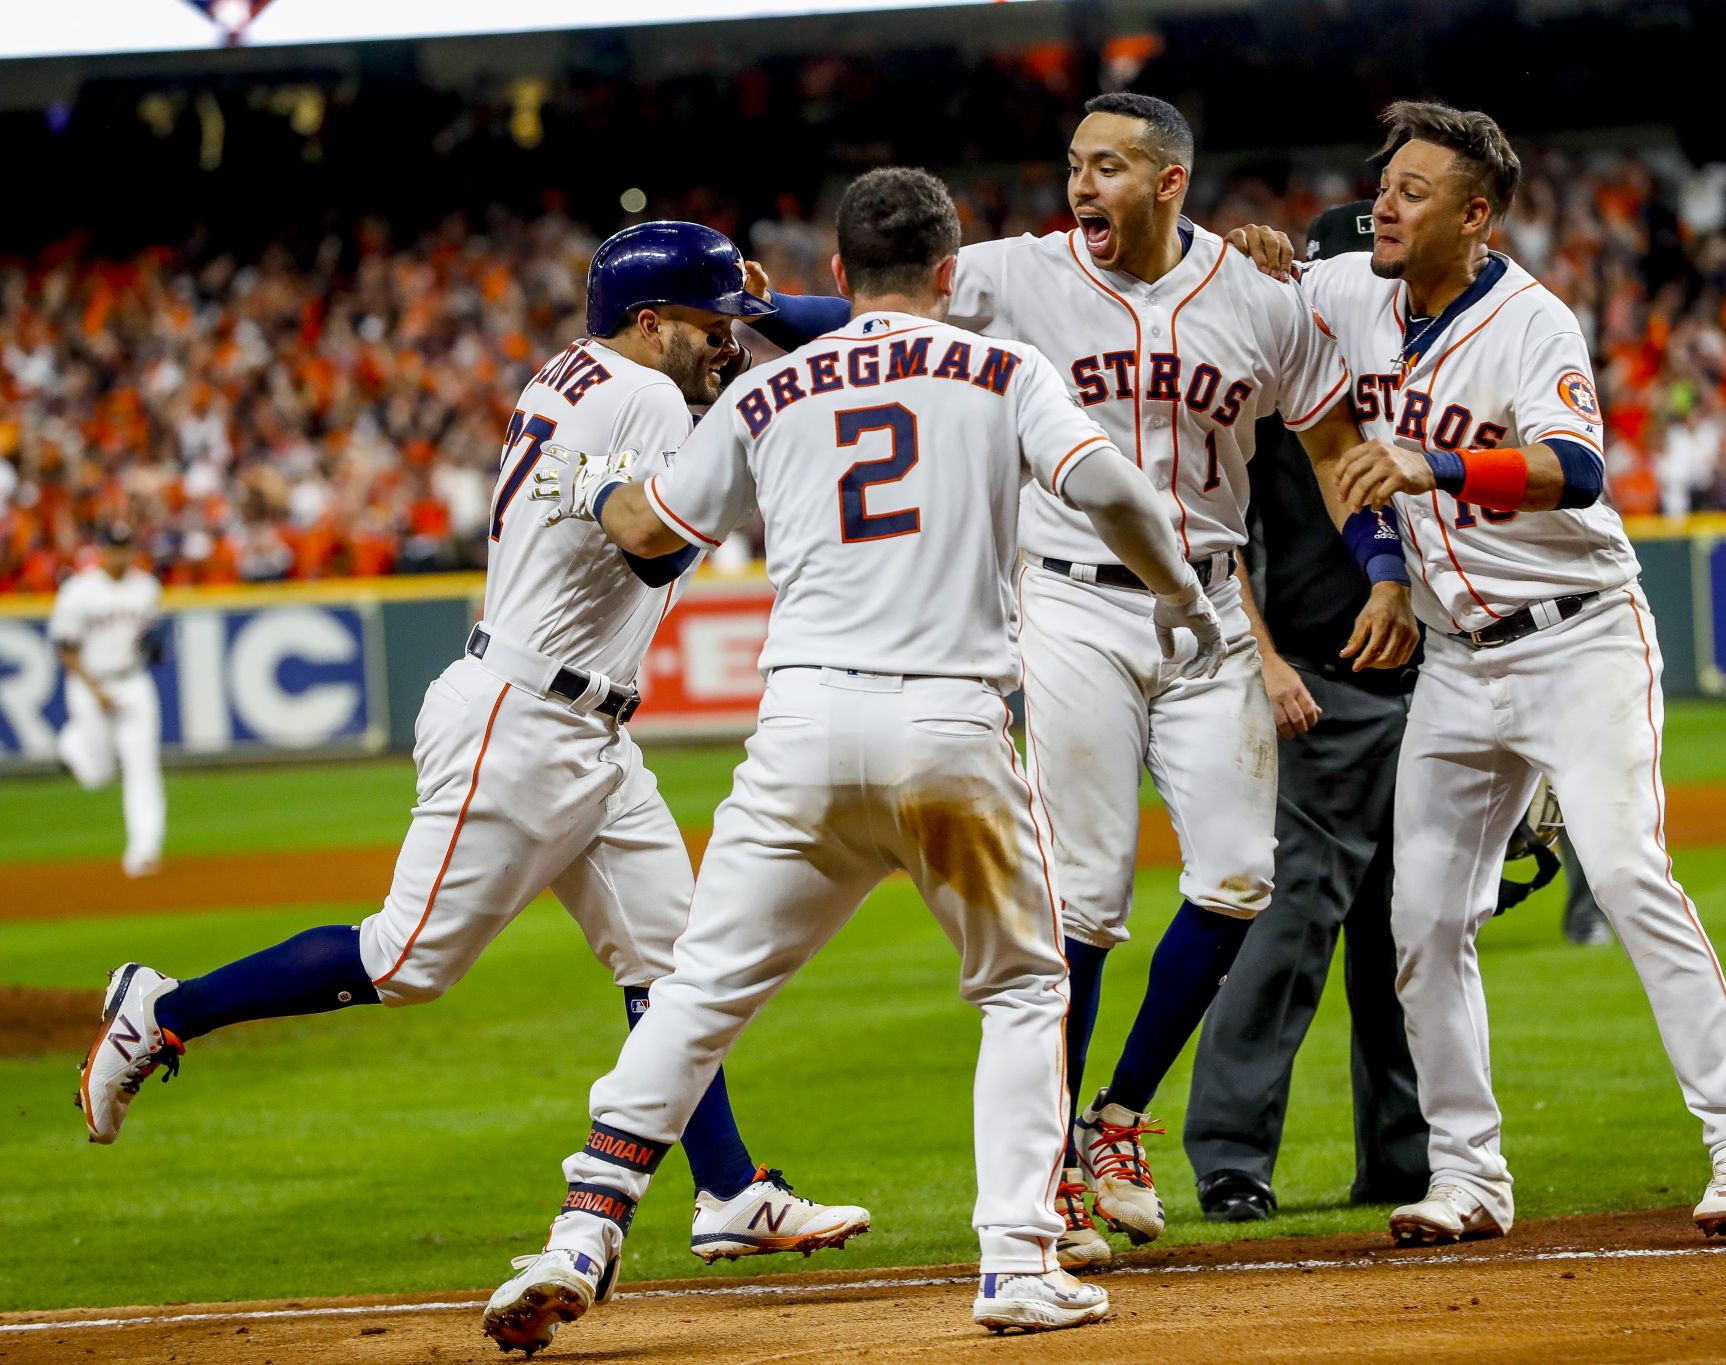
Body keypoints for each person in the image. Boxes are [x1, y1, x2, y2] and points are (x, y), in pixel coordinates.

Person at [480, 166, 1226, 1352]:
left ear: (834, 276)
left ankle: (582, 1227)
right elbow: (1111, 490)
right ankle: (1019, 1263)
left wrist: (587, 471)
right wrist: (1181, 596)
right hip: (950, 730)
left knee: (697, 995)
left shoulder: (769, 391)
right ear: (947, 271)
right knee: (1026, 990)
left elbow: (643, 534)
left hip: (800, 735)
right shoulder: (1001, 365)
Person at [77, 221, 867, 1270]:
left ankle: (727, 1193)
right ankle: (164, 1010)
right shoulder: (637, 396)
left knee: (674, 970)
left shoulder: (578, 375)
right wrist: (749, 425)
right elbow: (645, 547)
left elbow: (585, 486)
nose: (725, 342)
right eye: (708, 324)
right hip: (525, 719)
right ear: (648, 322)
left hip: (581, 724)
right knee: (405, 960)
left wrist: (744, 332)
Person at [747, 92, 1387, 1269]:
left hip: (1203, 596)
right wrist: (754, 309)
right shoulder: (1012, 274)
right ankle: (1050, 1171)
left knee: (1240, 877)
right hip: (1070, 594)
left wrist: (1386, 570)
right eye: (1074, 165)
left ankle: (1117, 1117)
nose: (1081, 185)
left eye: (1105, 167)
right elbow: (872, 313)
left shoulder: (1258, 300)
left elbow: (1335, 446)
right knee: (1084, 897)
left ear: (1168, 182)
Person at [1300, 100, 1726, 1245]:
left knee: (1623, 874)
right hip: (1458, 663)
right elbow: (1299, 404)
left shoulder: (1531, 322)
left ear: (1474, 217)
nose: (1383, 201)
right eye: (1383, 183)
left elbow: (1572, 470)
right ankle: (1467, 1175)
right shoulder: (1341, 296)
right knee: (1417, 917)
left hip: (1577, 635)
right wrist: (1381, 568)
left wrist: (1432, 464)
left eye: (1413, 190)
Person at [1182, 202, 1431, 1223]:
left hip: (1430, 686)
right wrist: (1266, 662)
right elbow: (1218, 537)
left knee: (1413, 934)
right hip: (1317, 685)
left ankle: (1407, 1158)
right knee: (1286, 930)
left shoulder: (1419, 381)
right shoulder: (1277, 389)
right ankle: (1231, 1158)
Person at [51, 524, 165, 878]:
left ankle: (144, 849)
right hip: (90, 682)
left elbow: (151, 638)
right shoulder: (78, 591)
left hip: (133, 681)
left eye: (126, 547)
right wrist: (95, 690)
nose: (121, 554)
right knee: (98, 774)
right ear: (102, 550)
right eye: (114, 548)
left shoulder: (147, 587)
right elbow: (66, 649)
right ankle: (70, 745)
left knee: (142, 766)